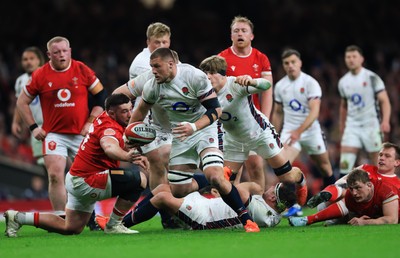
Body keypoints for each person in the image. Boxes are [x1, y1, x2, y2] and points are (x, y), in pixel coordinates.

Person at [130, 47, 260, 232]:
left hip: (205, 130)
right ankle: (207, 181)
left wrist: (194, 127)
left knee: (215, 176)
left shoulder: (194, 76)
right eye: (151, 66)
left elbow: (216, 111)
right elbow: (140, 112)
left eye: (157, 66)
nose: (153, 71)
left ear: (171, 64)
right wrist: (130, 135)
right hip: (182, 136)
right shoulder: (152, 86)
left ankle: (247, 220)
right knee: (178, 190)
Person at [4, 94, 149, 237]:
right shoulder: (109, 128)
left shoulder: (108, 118)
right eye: (124, 111)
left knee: (71, 227)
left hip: (76, 178)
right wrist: (127, 156)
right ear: (112, 112)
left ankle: (18, 218)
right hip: (88, 180)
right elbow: (109, 147)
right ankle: (114, 225)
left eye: (130, 109)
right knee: (139, 179)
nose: (129, 115)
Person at [199, 55, 308, 207]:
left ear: (222, 73)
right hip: (234, 141)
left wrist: (252, 81)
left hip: (260, 134)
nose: (207, 77)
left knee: (287, 178)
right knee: (223, 183)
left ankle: (301, 180)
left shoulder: (235, 84)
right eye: (205, 73)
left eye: (211, 73)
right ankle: (243, 214)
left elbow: (266, 85)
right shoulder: (205, 94)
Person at [16, 36, 107, 213]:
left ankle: (90, 215)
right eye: (57, 52)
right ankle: (61, 217)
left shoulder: (81, 69)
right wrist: (33, 127)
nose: (62, 55)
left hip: (80, 133)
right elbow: (21, 102)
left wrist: (90, 122)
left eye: (65, 51)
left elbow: (101, 96)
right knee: (55, 175)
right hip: (54, 134)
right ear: (49, 54)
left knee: (87, 177)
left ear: (70, 51)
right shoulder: (40, 75)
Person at [118, 22, 176, 228]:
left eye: (165, 41)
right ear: (147, 42)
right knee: (159, 166)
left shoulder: (169, 57)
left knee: (168, 166)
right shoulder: (142, 64)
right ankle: (168, 215)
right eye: (156, 42)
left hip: (166, 121)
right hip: (148, 122)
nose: (161, 44)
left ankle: (170, 210)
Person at [272, 49, 336, 215]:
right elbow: (278, 112)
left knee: (325, 168)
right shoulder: (280, 86)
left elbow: (314, 112)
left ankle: (334, 201)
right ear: (283, 66)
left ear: (300, 63)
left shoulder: (310, 83)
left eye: (293, 62)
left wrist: (299, 131)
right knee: (283, 168)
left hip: (311, 131)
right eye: (286, 63)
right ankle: (294, 205)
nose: (290, 66)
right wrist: (274, 133)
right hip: (290, 131)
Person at [96, 181, 296, 230]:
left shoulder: (262, 213)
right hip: (208, 204)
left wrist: (231, 187)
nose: (268, 188)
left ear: (273, 198)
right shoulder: (272, 211)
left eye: (272, 189)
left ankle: (116, 226)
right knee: (163, 187)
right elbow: (247, 188)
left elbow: (243, 190)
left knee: (161, 198)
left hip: (205, 218)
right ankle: (119, 221)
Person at [219, 16, 273, 191]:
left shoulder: (261, 58)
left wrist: (265, 118)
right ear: (231, 35)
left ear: (252, 36)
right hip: (230, 124)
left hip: (253, 122)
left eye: (244, 30)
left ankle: (258, 206)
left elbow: (267, 91)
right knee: (232, 172)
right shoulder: (222, 59)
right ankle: (232, 212)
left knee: (256, 165)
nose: (240, 34)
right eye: (236, 31)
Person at [338, 45, 391, 178]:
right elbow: (344, 106)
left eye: (354, 56)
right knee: (345, 165)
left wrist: (385, 121)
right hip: (352, 126)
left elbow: (384, 100)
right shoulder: (343, 82)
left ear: (361, 59)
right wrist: (342, 126)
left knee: (378, 162)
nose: (351, 60)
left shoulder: (372, 78)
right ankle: (343, 196)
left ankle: (381, 193)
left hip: (371, 124)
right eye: (348, 57)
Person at [288, 168, 399, 226]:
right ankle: (309, 218)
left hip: (383, 211)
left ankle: (332, 192)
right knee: (322, 206)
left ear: (369, 185)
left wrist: (365, 222)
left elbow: (392, 219)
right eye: (352, 189)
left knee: (329, 205)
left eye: (358, 188)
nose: (354, 193)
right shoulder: (356, 192)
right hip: (360, 207)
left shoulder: (386, 190)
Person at [306, 142, 400, 209]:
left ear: (397, 162)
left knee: (354, 196)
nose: (382, 158)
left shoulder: (397, 185)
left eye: (387, 156)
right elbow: (342, 180)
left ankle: (312, 218)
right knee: (345, 184)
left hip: (361, 208)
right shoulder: (366, 167)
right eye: (380, 155)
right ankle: (329, 194)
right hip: (340, 201)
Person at [11, 47, 45, 165]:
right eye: (25, 59)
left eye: (31, 58)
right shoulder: (21, 81)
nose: (28, 62)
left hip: (52, 125)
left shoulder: (47, 75)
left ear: (39, 60)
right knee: (42, 162)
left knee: (56, 160)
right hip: (35, 127)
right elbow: (19, 104)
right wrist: (16, 122)